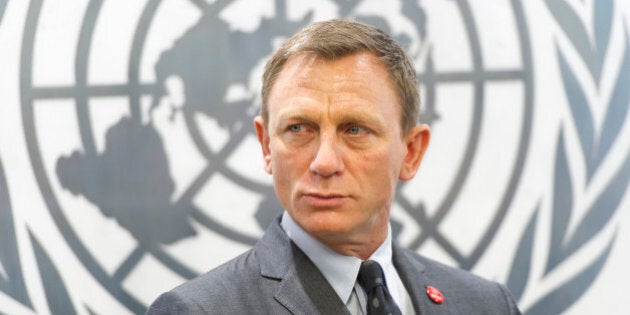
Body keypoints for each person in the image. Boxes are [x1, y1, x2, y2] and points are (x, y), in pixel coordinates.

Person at [147, 19, 521, 314]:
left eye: (354, 129)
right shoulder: (197, 311)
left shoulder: (487, 305)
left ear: (410, 152)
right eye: (299, 128)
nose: (324, 162)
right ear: (266, 146)